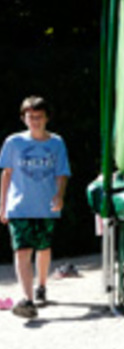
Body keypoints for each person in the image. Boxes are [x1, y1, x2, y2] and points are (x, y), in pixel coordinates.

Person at [0, 96, 71, 319]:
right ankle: (28, 300)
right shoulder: (13, 142)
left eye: (39, 117)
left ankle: (41, 286)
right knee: (22, 250)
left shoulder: (56, 143)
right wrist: (2, 205)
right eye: (30, 117)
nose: (35, 121)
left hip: (45, 205)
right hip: (19, 206)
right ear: (24, 119)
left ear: (47, 118)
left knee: (43, 248)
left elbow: (62, 173)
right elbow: (7, 173)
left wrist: (59, 196)